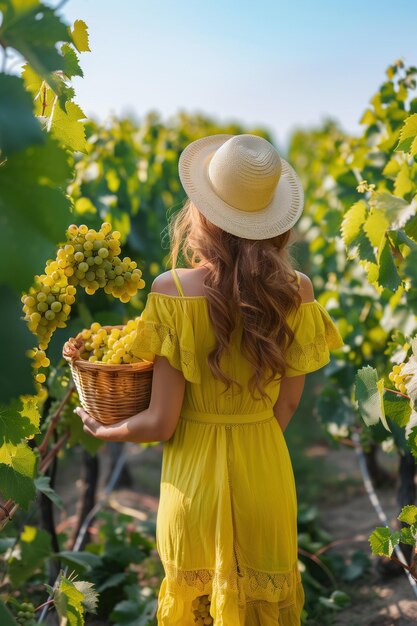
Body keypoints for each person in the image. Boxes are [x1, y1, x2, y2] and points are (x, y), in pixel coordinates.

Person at [75, 133, 344, 625]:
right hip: (264, 471)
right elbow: (285, 407)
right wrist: (249, 443)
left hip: (193, 484)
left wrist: (105, 428)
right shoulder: (298, 293)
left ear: (201, 214)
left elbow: (159, 422)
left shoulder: (172, 291)